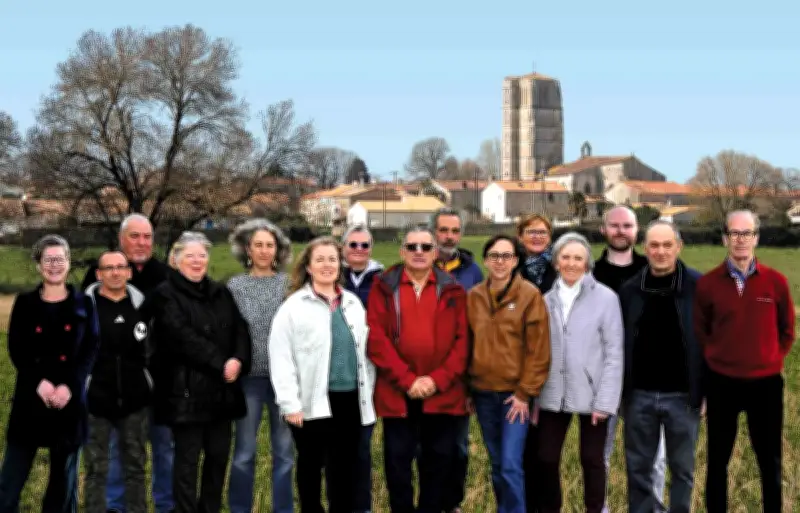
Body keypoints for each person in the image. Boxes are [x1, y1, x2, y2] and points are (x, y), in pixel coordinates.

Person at [694, 210, 795, 513]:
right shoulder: (708, 284)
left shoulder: (776, 283)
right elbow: (701, 332)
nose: (740, 239)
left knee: (770, 461)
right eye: (734, 233)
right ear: (725, 238)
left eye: (747, 233)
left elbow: (787, 330)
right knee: (717, 462)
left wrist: (770, 358)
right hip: (722, 383)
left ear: (756, 238)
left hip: (765, 385)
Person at [269, 236, 376, 513]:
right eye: (320, 260)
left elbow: (365, 353)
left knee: (343, 469)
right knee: (311, 466)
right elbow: (281, 358)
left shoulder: (352, 303)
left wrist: (369, 394)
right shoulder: (293, 307)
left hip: (350, 399)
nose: (327, 265)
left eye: (332, 259)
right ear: (308, 267)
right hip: (311, 402)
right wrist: (290, 403)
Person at [367, 226, 469, 513]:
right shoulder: (383, 286)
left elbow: (463, 341)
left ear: (435, 253)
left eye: (426, 247)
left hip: (441, 393)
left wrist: (437, 380)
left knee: (437, 463)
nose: (419, 253)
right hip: (398, 392)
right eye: (412, 247)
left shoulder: (453, 288)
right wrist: (408, 380)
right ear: (402, 252)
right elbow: (376, 338)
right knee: (397, 463)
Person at [148, 231, 252, 513]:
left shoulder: (220, 292)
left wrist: (239, 360)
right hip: (186, 392)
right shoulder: (164, 294)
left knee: (218, 459)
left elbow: (240, 329)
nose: (197, 261)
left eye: (202, 255)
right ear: (177, 260)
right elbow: (181, 337)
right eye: (190, 256)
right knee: (187, 462)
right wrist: (221, 363)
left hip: (222, 393)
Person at [0, 235, 100, 513]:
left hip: (69, 403)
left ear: (68, 263)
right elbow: (17, 349)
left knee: (62, 489)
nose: (54, 265)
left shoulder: (84, 304)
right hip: (31, 400)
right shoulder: (25, 303)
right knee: (9, 483)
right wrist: (40, 384)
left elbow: (91, 349)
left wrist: (69, 386)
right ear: (38, 265)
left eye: (60, 259)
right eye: (48, 259)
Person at [81, 213, 174, 513]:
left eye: (147, 236)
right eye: (134, 236)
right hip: (107, 385)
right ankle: (115, 506)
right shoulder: (96, 280)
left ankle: (163, 504)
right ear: (121, 239)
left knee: (159, 448)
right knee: (112, 452)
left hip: (157, 380)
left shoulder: (165, 276)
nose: (141, 242)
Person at [618, 221, 704, 513]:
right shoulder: (630, 290)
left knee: (682, 469)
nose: (661, 251)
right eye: (654, 245)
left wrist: (708, 391)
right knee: (639, 469)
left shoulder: (699, 287)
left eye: (668, 245)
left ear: (678, 247)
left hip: (684, 397)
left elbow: (713, 343)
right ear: (645, 249)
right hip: (639, 396)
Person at [535, 232, 623, 513]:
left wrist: (605, 402)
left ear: (587, 264)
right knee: (546, 458)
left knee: (592, 459)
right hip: (552, 393)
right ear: (556, 262)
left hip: (593, 395)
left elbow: (614, 353)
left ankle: (595, 510)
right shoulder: (544, 300)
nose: (571, 263)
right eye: (565, 257)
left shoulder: (606, 298)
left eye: (578, 258)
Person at [467, 235, 551, 513]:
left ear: (516, 261)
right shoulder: (475, 296)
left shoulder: (529, 296)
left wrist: (524, 394)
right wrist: (468, 390)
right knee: (497, 464)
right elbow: (468, 344)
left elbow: (539, 351)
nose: (500, 262)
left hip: (515, 397)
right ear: (485, 260)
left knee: (511, 463)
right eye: (494, 256)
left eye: (506, 256)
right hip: (482, 393)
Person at [592, 205, 666, 513]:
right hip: (600, 379)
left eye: (628, 225)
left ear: (637, 231)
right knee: (598, 457)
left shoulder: (658, 271)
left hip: (647, 380)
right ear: (603, 230)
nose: (621, 231)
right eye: (615, 225)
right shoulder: (589, 273)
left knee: (653, 457)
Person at [226, 219, 295, 513]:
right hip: (249, 381)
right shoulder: (235, 286)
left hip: (283, 381)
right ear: (247, 250)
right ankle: (240, 508)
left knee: (284, 452)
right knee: (244, 452)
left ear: (278, 251)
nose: (265, 251)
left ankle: (283, 509)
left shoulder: (290, 285)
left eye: (270, 245)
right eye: (259, 245)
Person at [83, 251, 153, 513]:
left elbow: (152, 348)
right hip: (95, 402)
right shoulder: (85, 309)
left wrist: (148, 381)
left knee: (136, 467)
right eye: (108, 268)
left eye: (120, 267)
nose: (115, 272)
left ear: (129, 272)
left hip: (135, 401)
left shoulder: (142, 307)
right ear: (99, 274)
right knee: (96, 469)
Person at [431, 207, 483, 513]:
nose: (449, 236)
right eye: (443, 230)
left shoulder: (472, 273)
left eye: (454, 231)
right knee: (426, 448)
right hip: (425, 373)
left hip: (460, 375)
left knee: (459, 448)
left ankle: (453, 504)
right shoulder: (417, 265)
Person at [514, 213, 556, 513]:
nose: (537, 236)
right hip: (516, 369)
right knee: (522, 450)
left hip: (554, 366)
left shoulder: (563, 267)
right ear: (520, 236)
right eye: (531, 231)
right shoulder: (510, 269)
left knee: (547, 453)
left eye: (542, 232)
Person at [341, 224, 384, 513]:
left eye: (364, 245)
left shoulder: (383, 280)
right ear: (343, 247)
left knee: (361, 445)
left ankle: (363, 506)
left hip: (370, 371)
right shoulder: (331, 274)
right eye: (353, 244)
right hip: (335, 371)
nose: (358, 250)